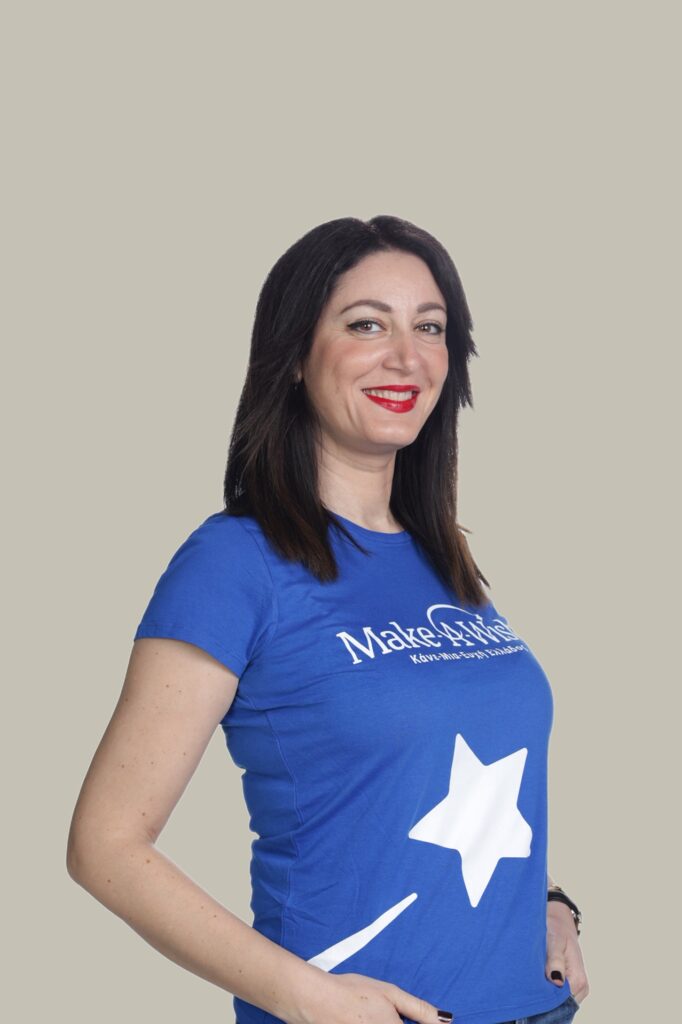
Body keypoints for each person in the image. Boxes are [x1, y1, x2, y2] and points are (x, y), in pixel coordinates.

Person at [66, 215, 590, 1024]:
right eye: (367, 324)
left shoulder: (441, 556)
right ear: (294, 355)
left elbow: (446, 785)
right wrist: (308, 999)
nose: (406, 357)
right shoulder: (232, 564)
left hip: (534, 1008)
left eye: (430, 328)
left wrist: (551, 902)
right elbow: (104, 846)